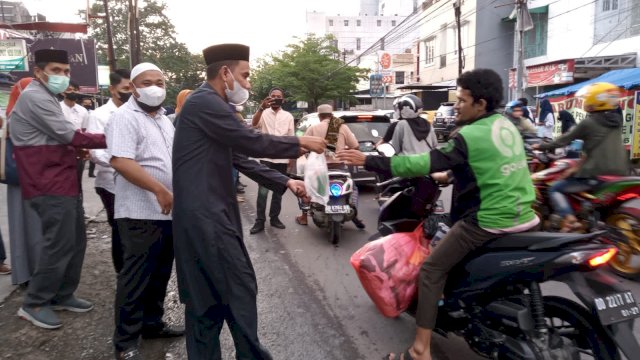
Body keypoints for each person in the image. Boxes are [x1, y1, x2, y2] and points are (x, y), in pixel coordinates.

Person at [337, 68, 539, 360]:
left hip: (487, 221)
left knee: (431, 271)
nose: (456, 106)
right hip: (525, 217)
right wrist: (453, 176)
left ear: (480, 104)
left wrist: (368, 160)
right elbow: (491, 167)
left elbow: (423, 162)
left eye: (461, 100)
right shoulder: (506, 125)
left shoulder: (468, 134)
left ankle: (420, 350)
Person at [172, 43, 325, 360]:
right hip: (207, 220)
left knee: (206, 303)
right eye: (246, 75)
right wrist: (299, 141)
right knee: (239, 291)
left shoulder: (209, 105)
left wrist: (287, 180)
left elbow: (241, 157)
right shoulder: (206, 103)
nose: (249, 83)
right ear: (225, 73)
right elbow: (251, 140)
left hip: (203, 220)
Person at [10, 49, 107, 329]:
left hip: (62, 179)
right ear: (39, 72)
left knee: (76, 240)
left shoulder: (48, 97)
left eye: (66, 71)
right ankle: (35, 302)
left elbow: (61, 138)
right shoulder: (36, 97)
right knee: (59, 243)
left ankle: (63, 294)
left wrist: (75, 149)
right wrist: (112, 135)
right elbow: (69, 134)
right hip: (47, 182)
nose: (63, 76)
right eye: (56, 70)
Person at [105, 63, 184, 360]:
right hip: (139, 213)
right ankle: (125, 342)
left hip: (168, 213)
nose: (154, 86)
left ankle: (152, 323)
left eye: (159, 81)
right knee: (135, 278)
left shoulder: (163, 119)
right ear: (134, 87)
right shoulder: (125, 118)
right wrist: (159, 189)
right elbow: (121, 161)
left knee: (161, 273)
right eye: (147, 82)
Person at [533, 82, 628, 232]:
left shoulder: (589, 122)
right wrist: (576, 167)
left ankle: (570, 219)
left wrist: (540, 146)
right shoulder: (615, 122)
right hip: (619, 172)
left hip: (596, 174)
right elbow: (593, 149)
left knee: (555, 188)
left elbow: (563, 140)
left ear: (593, 101)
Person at [86, 68, 131, 274]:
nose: (130, 92)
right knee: (120, 231)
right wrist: (122, 163)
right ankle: (122, 273)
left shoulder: (136, 111)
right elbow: (95, 153)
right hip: (110, 184)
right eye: (126, 88)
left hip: (136, 182)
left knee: (135, 229)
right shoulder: (100, 115)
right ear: (113, 89)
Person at [295, 104, 365, 228]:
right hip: (340, 168)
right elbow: (355, 146)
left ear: (319, 116)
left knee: (308, 188)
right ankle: (355, 214)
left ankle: (304, 216)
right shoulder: (341, 126)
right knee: (353, 188)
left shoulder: (313, 128)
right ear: (332, 115)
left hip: (319, 170)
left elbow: (304, 147)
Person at [5, 77, 43, 287]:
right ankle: (32, 273)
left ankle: (27, 272)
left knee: (23, 226)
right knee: (32, 226)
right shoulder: (19, 116)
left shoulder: (12, 115)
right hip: (26, 177)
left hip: (23, 178)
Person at [250, 87, 295, 234]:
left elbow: (290, 138)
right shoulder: (263, 113)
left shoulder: (288, 116)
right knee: (263, 191)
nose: (276, 98)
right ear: (269, 97)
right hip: (266, 158)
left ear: (283, 99)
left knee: (278, 191)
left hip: (282, 158)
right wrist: (261, 108)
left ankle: (274, 218)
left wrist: (291, 159)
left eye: (278, 96)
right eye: (273, 96)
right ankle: (259, 221)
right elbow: (254, 124)